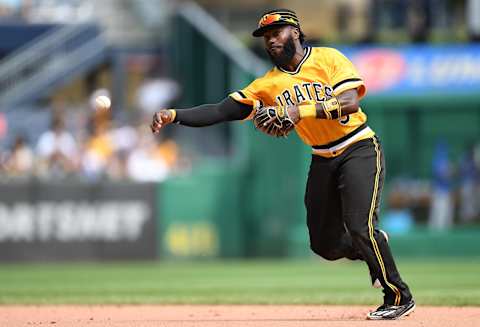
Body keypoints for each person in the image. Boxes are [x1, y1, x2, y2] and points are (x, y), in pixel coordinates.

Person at [150, 9, 414, 320]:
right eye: (267, 37)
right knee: (324, 245)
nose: (272, 40)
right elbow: (222, 111)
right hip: (322, 157)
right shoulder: (268, 84)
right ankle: (372, 246)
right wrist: (174, 115)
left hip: (358, 147)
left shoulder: (328, 59)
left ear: (297, 33)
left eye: (278, 32)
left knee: (359, 225)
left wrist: (298, 111)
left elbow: (349, 102)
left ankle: (398, 295)